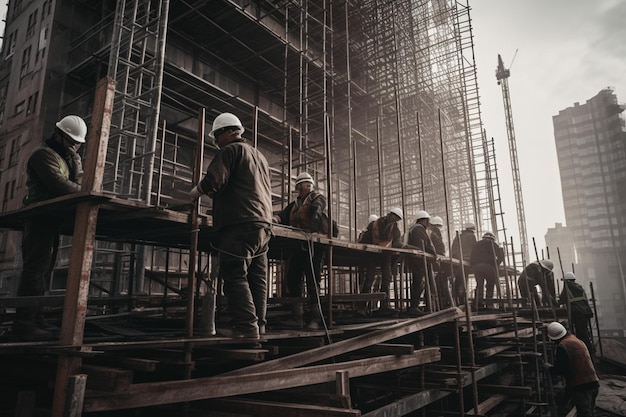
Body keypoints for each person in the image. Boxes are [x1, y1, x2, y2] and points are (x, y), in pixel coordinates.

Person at [190, 112, 272, 339]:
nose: (215, 143)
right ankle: (259, 326)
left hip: (240, 222)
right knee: (257, 277)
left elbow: (213, 181)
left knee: (234, 273)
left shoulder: (230, 151)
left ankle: (246, 329)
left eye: (216, 137)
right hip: (262, 225)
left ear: (225, 132)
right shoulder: (260, 156)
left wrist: (194, 193)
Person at [12, 115, 87, 341]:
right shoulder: (43, 155)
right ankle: (24, 323)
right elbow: (60, 185)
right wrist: (85, 191)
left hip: (51, 217)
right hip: (38, 216)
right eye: (72, 142)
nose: (75, 146)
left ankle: (37, 317)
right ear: (59, 135)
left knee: (45, 270)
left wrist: (75, 159)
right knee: (36, 268)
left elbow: (80, 181)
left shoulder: (67, 156)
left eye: (77, 144)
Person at [273, 172, 328, 329]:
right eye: (304, 184)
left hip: (314, 245)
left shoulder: (317, 198)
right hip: (299, 243)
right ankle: (297, 317)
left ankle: (315, 319)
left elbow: (316, 214)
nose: (307, 187)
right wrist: (273, 219)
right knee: (293, 278)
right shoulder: (296, 203)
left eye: (308, 184)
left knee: (312, 280)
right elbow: (283, 216)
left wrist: (311, 231)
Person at [546, 321, 599, 417]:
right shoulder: (575, 340)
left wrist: (549, 368)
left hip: (582, 386)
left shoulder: (563, 346)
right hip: (593, 382)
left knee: (585, 414)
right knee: (589, 412)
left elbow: (560, 369)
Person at [359, 208, 403, 311]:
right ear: (390, 215)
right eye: (394, 217)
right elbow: (365, 238)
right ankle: (362, 307)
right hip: (373, 254)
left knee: (387, 277)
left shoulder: (395, 228)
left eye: (397, 219)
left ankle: (384, 306)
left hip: (385, 255)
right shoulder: (375, 224)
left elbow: (396, 242)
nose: (395, 220)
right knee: (369, 278)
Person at [405, 210, 437, 314]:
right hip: (419, 259)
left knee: (420, 281)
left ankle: (420, 306)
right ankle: (415, 306)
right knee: (419, 282)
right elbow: (423, 244)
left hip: (417, 258)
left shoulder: (414, 228)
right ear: (426, 220)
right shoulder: (419, 229)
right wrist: (433, 253)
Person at [559, 272, 594, 354]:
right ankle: (589, 348)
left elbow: (562, 299)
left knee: (580, 332)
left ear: (566, 281)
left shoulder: (567, 287)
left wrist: (556, 303)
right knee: (584, 330)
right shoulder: (580, 287)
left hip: (576, 312)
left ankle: (584, 349)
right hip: (585, 311)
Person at [469, 231, 504, 309]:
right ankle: (489, 303)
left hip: (476, 267)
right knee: (490, 284)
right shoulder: (493, 244)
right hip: (488, 266)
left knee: (479, 285)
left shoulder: (476, 244)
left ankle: (479, 304)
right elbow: (501, 257)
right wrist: (496, 264)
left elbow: (471, 257)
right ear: (492, 238)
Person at [450, 223, 477, 305]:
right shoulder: (471, 236)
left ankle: (455, 298)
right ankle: (461, 299)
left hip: (456, 260)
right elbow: (474, 248)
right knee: (463, 278)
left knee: (459, 278)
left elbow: (453, 248)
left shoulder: (458, 236)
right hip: (466, 259)